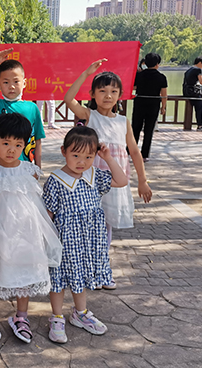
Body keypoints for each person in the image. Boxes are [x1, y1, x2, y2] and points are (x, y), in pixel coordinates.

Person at [0, 113, 62, 347]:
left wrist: (40, 233)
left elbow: (35, 203)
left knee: (25, 273)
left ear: (25, 145)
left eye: (18, 145)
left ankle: (21, 317)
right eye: (6, 143)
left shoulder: (31, 171)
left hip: (26, 234)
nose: (11, 149)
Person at [64, 60, 152, 290]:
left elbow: (134, 152)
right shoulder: (90, 115)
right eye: (102, 91)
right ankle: (87, 269)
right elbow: (68, 99)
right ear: (93, 94)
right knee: (89, 224)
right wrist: (86, 72)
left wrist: (142, 181)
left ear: (120, 96)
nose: (108, 95)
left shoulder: (123, 122)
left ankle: (102, 270)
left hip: (114, 182)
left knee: (106, 227)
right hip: (90, 181)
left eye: (113, 91)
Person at [44, 126, 127, 343]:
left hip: (89, 240)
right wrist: (46, 242)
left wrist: (107, 158)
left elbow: (122, 180)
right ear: (64, 151)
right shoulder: (56, 179)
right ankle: (57, 317)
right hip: (64, 241)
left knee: (80, 276)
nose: (82, 161)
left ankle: (80, 314)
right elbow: (48, 213)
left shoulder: (94, 175)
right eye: (76, 155)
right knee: (59, 279)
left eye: (89, 156)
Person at [131, 53, 167, 162]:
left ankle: (131, 151)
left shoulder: (139, 75)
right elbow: (164, 94)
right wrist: (163, 107)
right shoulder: (161, 77)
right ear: (157, 64)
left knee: (135, 128)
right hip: (153, 104)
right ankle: (144, 154)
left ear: (145, 63)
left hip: (139, 103)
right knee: (149, 129)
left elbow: (133, 87)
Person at [183, 56, 202, 132]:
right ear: (200, 63)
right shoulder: (198, 70)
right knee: (199, 106)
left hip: (186, 91)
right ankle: (200, 126)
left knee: (198, 105)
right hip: (193, 92)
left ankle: (199, 125)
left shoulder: (189, 69)